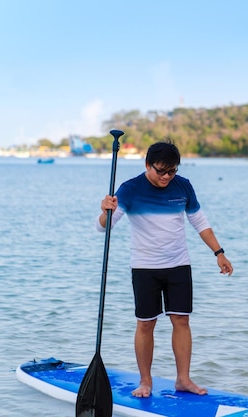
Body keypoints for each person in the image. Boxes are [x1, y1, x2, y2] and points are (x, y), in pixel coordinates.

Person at [97, 137, 233, 398]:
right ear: (148, 165)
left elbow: (200, 222)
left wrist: (219, 252)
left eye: (172, 171)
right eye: (161, 171)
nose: (167, 177)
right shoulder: (129, 189)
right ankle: (145, 381)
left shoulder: (183, 187)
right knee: (146, 324)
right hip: (145, 267)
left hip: (178, 265)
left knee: (181, 320)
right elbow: (104, 227)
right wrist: (105, 211)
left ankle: (183, 380)